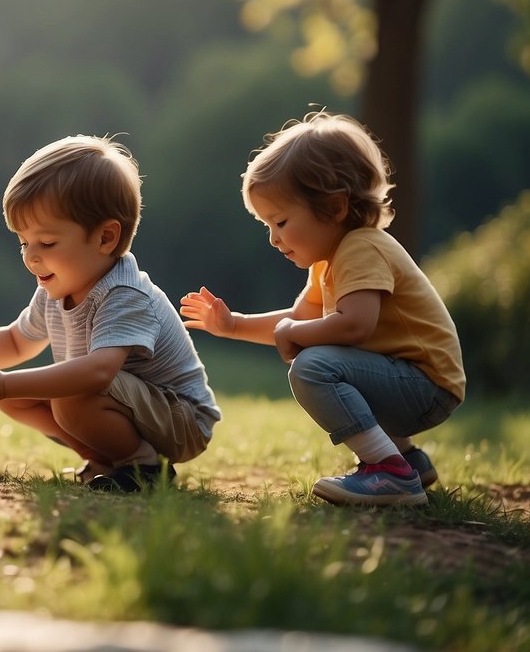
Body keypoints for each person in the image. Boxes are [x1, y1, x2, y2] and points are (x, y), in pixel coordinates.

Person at [0, 135, 220, 492]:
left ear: (105, 238)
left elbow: (99, 372)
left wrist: (3, 383)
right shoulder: (54, 290)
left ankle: (143, 467)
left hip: (181, 420)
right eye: (24, 242)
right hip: (131, 407)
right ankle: (106, 461)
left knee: (64, 394)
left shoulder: (124, 293)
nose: (30, 256)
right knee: (17, 397)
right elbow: (15, 340)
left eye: (47, 243)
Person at [180, 111, 464, 506]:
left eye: (280, 221)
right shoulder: (329, 260)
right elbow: (299, 320)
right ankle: (408, 460)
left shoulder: (362, 248)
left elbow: (354, 327)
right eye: (266, 225)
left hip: (425, 386)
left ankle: (389, 472)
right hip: (411, 382)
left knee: (313, 366)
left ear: (334, 208)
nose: (274, 239)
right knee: (319, 355)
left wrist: (293, 335)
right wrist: (234, 325)